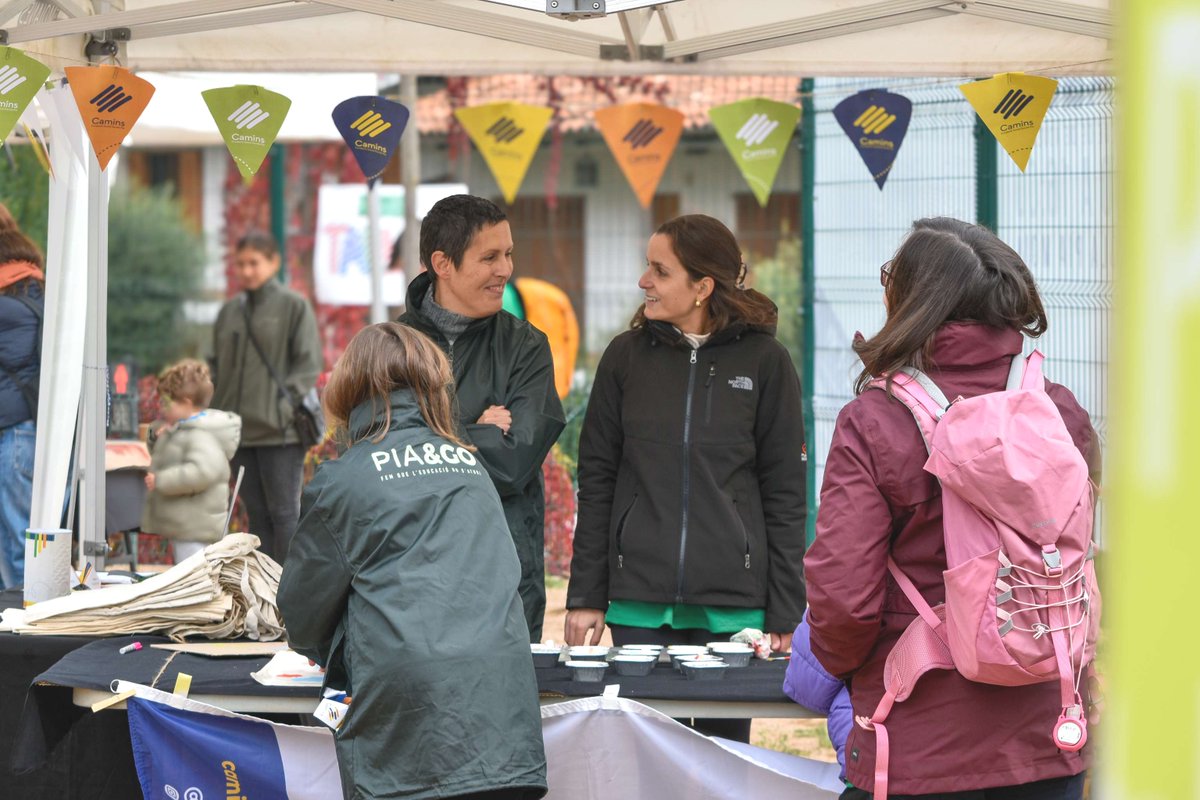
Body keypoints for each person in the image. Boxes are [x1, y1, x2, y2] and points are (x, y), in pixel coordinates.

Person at [805, 217, 1100, 799]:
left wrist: (847, 667)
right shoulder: (1058, 412)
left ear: (912, 300)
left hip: (919, 732)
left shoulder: (876, 421)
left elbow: (843, 597)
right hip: (1048, 731)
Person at [277, 322, 548, 800]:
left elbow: (302, 611)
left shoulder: (344, 479)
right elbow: (506, 573)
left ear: (350, 387)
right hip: (501, 708)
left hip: (405, 715)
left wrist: (337, 652)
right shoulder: (471, 466)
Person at [565, 214, 808, 742]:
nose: (643, 281)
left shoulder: (766, 362)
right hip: (638, 603)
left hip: (733, 608)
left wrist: (787, 610)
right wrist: (586, 593)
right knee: (653, 759)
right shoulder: (624, 358)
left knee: (724, 759)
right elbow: (598, 481)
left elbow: (786, 495)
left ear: (703, 286)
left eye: (660, 270)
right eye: (647, 267)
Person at [397, 195, 565, 641]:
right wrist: (479, 431)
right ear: (442, 264)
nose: (505, 269)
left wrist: (429, 438)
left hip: (504, 579)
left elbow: (513, 463)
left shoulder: (526, 346)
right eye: (489, 257)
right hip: (409, 575)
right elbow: (381, 460)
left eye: (508, 254)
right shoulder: (392, 348)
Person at [210, 232, 322, 564]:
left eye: (254, 263)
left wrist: (283, 409)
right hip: (238, 432)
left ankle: (287, 588)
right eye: (241, 264)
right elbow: (215, 366)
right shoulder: (229, 311)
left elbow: (308, 364)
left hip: (280, 432)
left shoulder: (293, 306)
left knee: (285, 513)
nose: (247, 271)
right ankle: (262, 586)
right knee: (256, 516)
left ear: (274, 262)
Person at [141, 359, 241, 561]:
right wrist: (160, 437)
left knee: (193, 571)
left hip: (196, 526)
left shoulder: (200, 435)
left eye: (166, 403)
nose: (162, 408)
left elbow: (201, 472)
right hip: (188, 522)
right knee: (190, 569)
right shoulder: (184, 429)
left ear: (186, 403)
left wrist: (161, 480)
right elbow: (167, 456)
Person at [0, 204, 44, 590]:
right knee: (28, 541)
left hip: (13, 432)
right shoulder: (41, 293)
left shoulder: (6, 306)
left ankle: (17, 617)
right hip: (36, 428)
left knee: (15, 543)